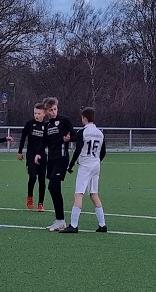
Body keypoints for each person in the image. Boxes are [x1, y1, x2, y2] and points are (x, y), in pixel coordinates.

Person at [61, 107, 109, 233]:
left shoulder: (83, 132)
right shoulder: (100, 133)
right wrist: (96, 160)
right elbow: (103, 152)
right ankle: (102, 225)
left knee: (78, 193)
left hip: (85, 165)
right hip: (96, 165)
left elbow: (78, 149)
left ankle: (73, 225)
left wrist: (71, 165)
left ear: (85, 118)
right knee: (94, 193)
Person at [42, 97, 74, 231]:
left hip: (62, 158)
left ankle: (60, 220)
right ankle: (59, 220)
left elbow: (74, 135)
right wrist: (38, 154)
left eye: (55, 109)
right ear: (46, 111)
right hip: (51, 159)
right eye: (51, 110)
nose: (54, 112)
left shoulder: (64, 120)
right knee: (53, 188)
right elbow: (44, 142)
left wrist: (68, 138)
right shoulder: (47, 125)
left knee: (53, 186)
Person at [17, 102, 48, 211]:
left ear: (44, 114)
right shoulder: (29, 124)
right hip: (31, 155)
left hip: (42, 156)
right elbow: (23, 137)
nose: (36, 115)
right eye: (35, 113)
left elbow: (48, 141)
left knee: (42, 180)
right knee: (33, 177)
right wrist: (20, 151)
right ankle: (30, 197)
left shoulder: (46, 126)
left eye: (39, 113)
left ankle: (40, 203)